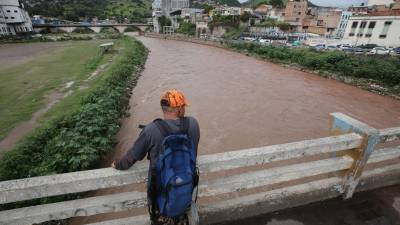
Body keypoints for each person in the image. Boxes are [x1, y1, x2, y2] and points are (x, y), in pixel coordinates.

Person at [112, 89, 200, 225]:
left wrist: (116, 164)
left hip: (160, 197)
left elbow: (129, 160)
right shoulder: (193, 124)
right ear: (179, 109)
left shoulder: (151, 130)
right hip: (186, 191)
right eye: (183, 107)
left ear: (164, 109)